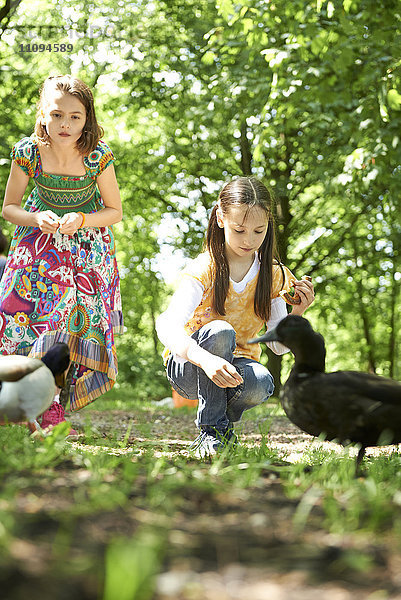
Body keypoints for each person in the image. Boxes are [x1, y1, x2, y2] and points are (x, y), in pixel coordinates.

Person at [156, 177, 314, 457]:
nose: (249, 240)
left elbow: (277, 345)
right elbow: (166, 325)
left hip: (237, 369)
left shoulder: (274, 275)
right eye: (239, 230)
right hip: (189, 365)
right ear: (220, 218)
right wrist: (204, 358)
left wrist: (298, 313)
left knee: (262, 381)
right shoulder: (204, 269)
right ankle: (213, 433)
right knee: (220, 332)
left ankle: (219, 434)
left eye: (258, 231)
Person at [0, 74, 123, 434]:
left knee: (68, 325)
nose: (65, 125)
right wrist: (36, 217)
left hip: (87, 249)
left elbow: (114, 211)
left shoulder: (98, 155)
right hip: (36, 242)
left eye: (75, 116)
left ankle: (52, 405)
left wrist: (82, 218)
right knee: (19, 314)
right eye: (56, 115)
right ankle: (19, 400)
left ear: (88, 118)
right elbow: (9, 208)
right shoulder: (28, 152)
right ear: (42, 113)